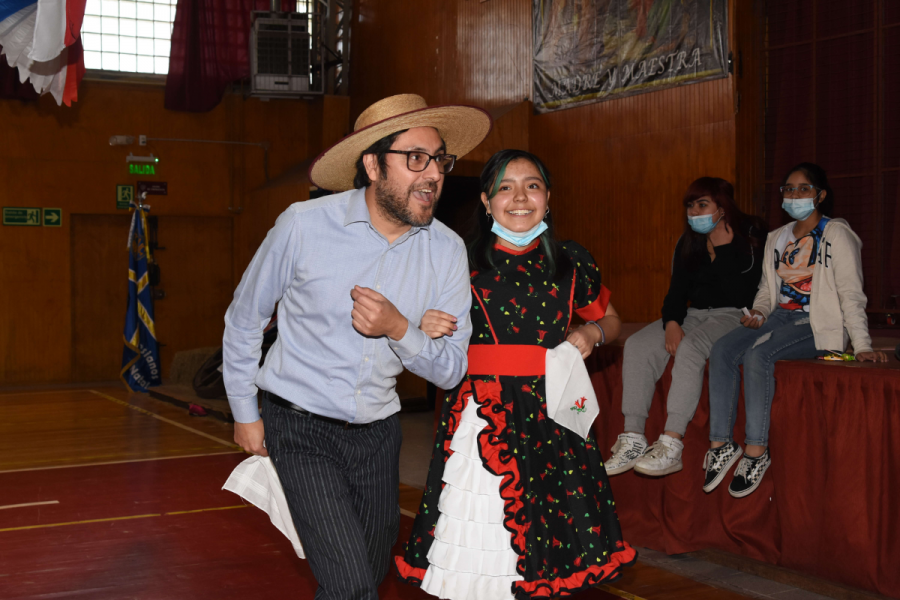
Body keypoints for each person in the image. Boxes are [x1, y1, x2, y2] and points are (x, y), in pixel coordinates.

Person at [222, 94, 492, 600]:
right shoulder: (303, 225)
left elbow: (452, 370)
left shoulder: (449, 250)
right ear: (372, 164)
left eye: (440, 160)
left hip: (379, 436)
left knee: (364, 579)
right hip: (299, 428)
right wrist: (244, 411)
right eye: (416, 158)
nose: (433, 174)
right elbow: (245, 318)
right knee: (349, 586)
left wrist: (399, 328)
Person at [395, 150, 636, 599]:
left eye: (533, 186)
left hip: (554, 411)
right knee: (482, 526)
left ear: (548, 198)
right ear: (486, 202)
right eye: (505, 187)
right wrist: (421, 322)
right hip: (483, 411)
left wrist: (593, 332)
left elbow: (613, 320)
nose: (520, 197)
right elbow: (410, 317)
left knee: (552, 534)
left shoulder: (571, 260)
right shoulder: (456, 257)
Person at [702, 163, 889, 498]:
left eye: (803, 189)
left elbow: (851, 293)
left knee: (759, 354)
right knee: (723, 350)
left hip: (817, 323)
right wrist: (759, 311)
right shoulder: (778, 237)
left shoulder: (837, 235)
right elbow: (766, 289)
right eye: (788, 189)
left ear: (820, 195)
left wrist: (861, 343)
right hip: (779, 318)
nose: (795, 195)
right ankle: (721, 444)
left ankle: (757, 451)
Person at [605, 178, 766, 477]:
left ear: (722, 205)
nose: (694, 212)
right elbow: (677, 291)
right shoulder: (688, 240)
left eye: (702, 204)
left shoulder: (752, 232)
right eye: (690, 206)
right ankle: (633, 438)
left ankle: (671, 443)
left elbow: (744, 294)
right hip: (694, 314)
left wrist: (724, 250)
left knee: (691, 349)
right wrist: (672, 322)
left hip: (735, 314)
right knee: (638, 344)